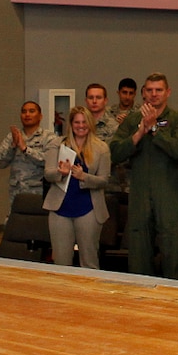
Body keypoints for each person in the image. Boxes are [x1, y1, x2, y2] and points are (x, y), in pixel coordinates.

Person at [112, 74, 178, 279]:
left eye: (158, 90)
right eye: (149, 90)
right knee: (139, 249)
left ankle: (174, 300)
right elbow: (115, 153)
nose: (154, 94)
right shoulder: (132, 119)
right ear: (143, 93)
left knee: (172, 250)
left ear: (168, 92)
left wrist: (155, 128)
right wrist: (140, 133)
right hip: (140, 193)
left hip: (169, 195)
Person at [42, 107, 111, 268]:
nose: (81, 126)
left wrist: (84, 177)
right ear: (71, 124)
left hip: (89, 209)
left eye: (84, 122)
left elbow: (103, 180)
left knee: (89, 259)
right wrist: (61, 173)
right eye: (77, 122)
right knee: (61, 260)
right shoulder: (57, 145)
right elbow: (48, 174)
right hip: (61, 209)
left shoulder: (101, 148)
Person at [0, 101, 58, 209]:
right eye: (24, 112)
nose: (27, 114)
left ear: (40, 116)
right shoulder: (12, 137)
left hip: (39, 194)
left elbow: (50, 161)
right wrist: (13, 146)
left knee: (37, 225)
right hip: (17, 195)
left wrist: (26, 149)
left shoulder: (49, 138)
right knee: (16, 224)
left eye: (32, 111)